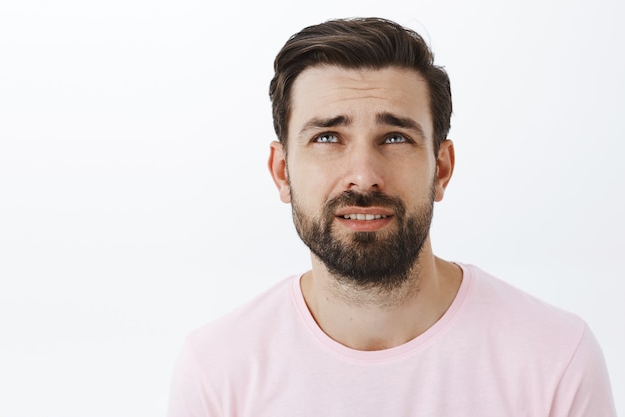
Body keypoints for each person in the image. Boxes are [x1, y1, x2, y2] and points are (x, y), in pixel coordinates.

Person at [167, 17, 616, 416]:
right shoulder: (218, 371)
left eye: (396, 137)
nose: (363, 177)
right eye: (327, 137)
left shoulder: (555, 358)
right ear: (282, 172)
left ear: (440, 168)